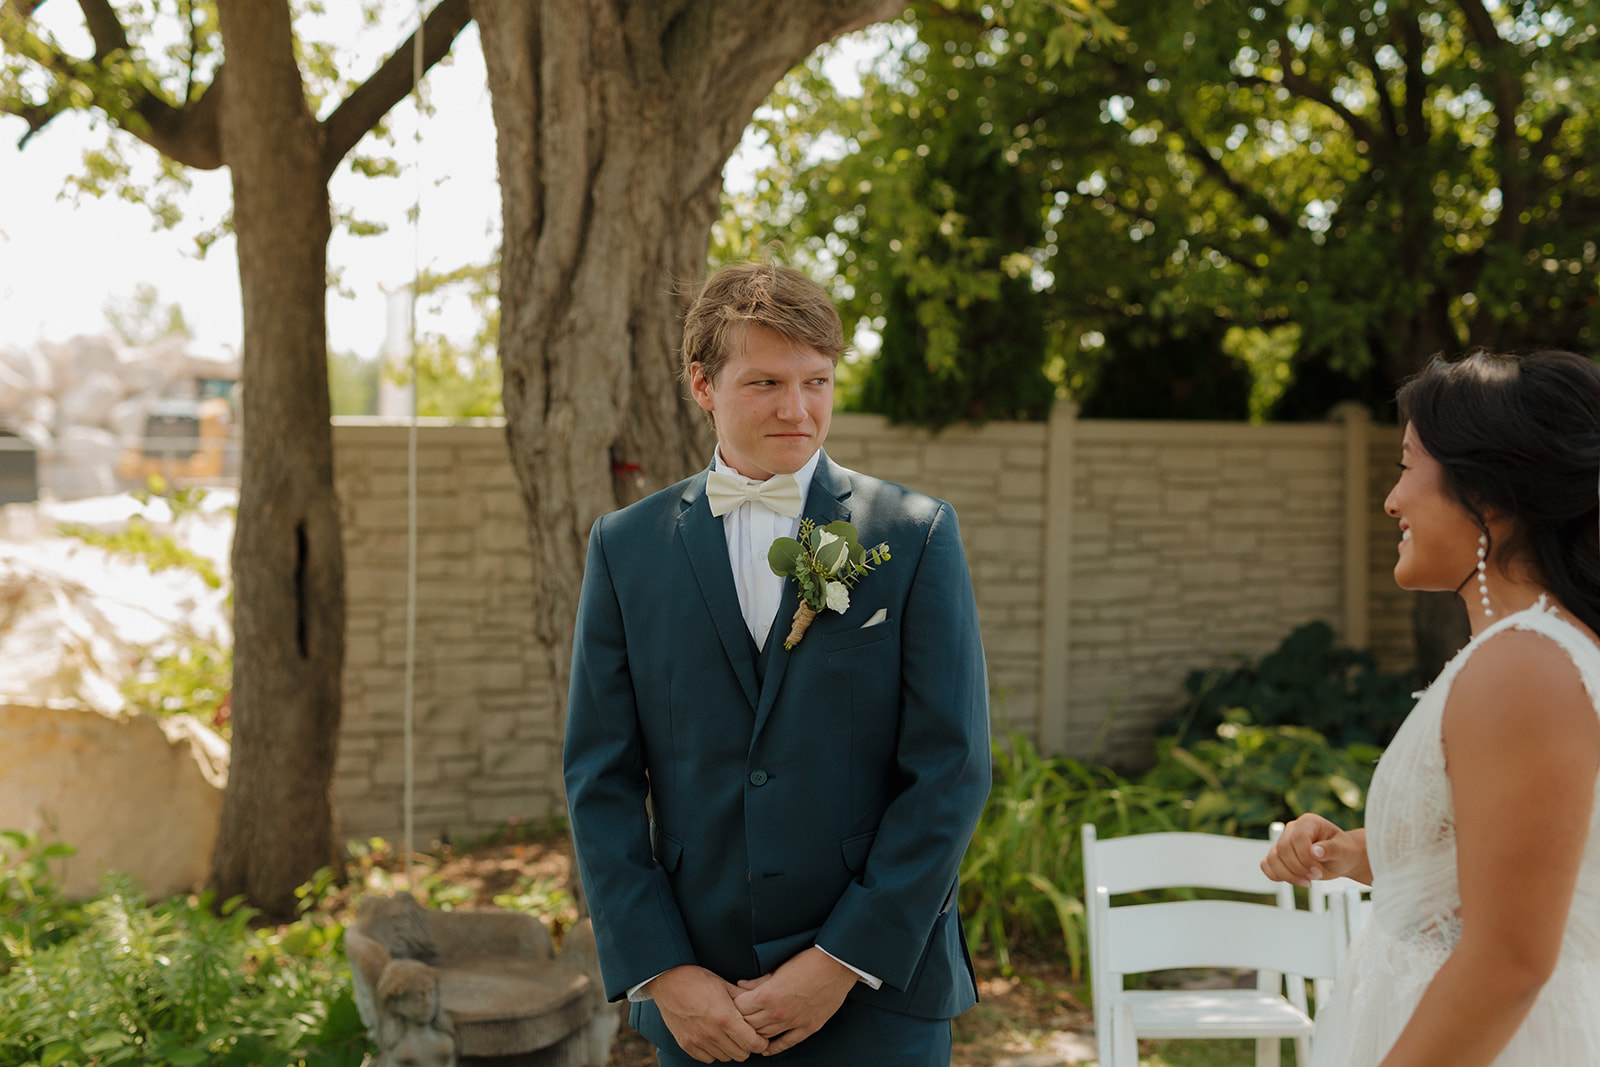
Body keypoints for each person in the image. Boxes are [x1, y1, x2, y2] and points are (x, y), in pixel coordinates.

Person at [562, 260, 992, 1065]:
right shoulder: (625, 549)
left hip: (879, 993)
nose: (797, 409)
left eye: (816, 381)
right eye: (765, 382)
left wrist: (840, 962)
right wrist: (665, 972)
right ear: (703, 384)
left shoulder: (914, 533)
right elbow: (600, 778)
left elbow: (951, 769)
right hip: (702, 1001)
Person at [1262, 348, 1600, 1065]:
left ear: (1488, 492)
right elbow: (1514, 872)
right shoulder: (1533, 656)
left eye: (1407, 466)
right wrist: (1359, 851)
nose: (1392, 501)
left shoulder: (1523, 667)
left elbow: (1509, 962)